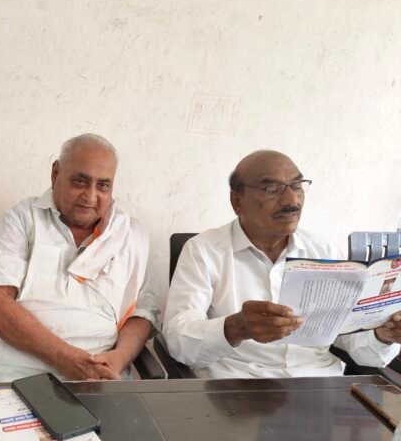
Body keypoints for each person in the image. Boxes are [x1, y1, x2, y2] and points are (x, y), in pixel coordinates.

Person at [163, 150, 401, 379]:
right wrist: (236, 327)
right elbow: (178, 340)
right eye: (272, 189)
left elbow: (351, 341)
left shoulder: (325, 252)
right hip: (237, 386)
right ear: (237, 201)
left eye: (297, 186)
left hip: (320, 385)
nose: (292, 201)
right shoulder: (203, 251)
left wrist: (383, 335)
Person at [0, 133, 158, 382]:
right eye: (80, 181)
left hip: (96, 378)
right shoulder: (21, 220)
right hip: (4, 371)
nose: (90, 196)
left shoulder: (129, 235)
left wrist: (118, 358)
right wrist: (69, 361)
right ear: (55, 174)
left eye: (103, 185)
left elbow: (140, 312)